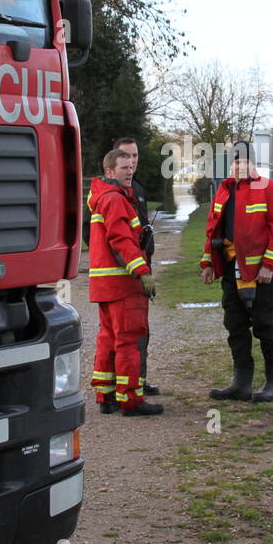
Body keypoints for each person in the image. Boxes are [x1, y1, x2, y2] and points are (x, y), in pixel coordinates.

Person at [200, 140, 273, 402]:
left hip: (261, 272)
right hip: (231, 268)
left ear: (254, 163)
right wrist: (207, 263)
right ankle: (241, 383)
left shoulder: (271, 190)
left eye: (245, 161)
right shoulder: (224, 190)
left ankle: (272, 380)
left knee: (263, 324)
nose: (241, 166)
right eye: (236, 162)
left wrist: (269, 266)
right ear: (231, 165)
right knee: (235, 325)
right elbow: (212, 230)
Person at [87, 149, 161, 417]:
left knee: (108, 340)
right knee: (129, 341)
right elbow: (121, 242)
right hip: (123, 286)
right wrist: (143, 272)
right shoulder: (116, 201)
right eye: (123, 168)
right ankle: (131, 400)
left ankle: (106, 396)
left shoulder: (100, 199)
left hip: (104, 286)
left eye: (131, 167)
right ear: (109, 172)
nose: (130, 172)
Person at [112, 137, 160, 396]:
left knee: (141, 330)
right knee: (121, 334)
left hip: (141, 269)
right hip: (122, 274)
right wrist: (123, 261)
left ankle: (138, 381)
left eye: (135, 157)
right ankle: (121, 387)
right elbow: (100, 234)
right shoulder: (110, 194)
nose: (132, 163)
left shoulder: (137, 190)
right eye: (127, 157)